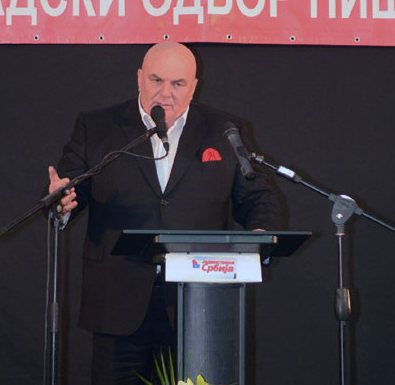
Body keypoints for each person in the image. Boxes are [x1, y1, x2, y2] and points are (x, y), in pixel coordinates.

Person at [48, 41, 283, 384]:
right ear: (139, 78)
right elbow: (69, 188)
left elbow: (258, 197)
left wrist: (261, 234)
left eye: (178, 83)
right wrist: (61, 202)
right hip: (117, 301)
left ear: (194, 86)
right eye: (156, 80)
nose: (165, 93)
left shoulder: (225, 130)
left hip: (199, 303)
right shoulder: (97, 127)